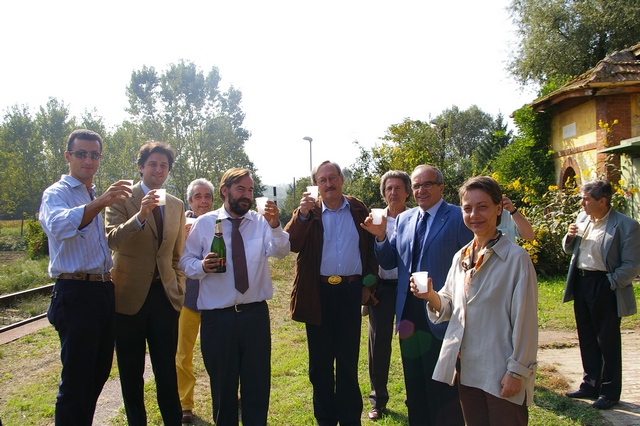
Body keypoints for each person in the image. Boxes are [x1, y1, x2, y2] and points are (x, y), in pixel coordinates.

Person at [412, 176, 538, 426]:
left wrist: (517, 372)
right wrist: (430, 296)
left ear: (498, 208)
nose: (474, 214)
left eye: (482, 207)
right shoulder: (462, 256)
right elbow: (449, 307)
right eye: (467, 208)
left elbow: (526, 324)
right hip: (467, 371)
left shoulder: (516, 260)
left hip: (500, 372)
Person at [362, 164, 472, 425]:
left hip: (442, 310)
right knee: (415, 380)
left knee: (442, 380)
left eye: (427, 184)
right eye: (417, 185)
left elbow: (472, 261)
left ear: (441, 187)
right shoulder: (404, 219)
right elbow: (389, 262)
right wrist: (379, 239)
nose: (421, 190)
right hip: (408, 311)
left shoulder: (457, 217)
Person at [179, 168, 290, 425]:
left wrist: (275, 225)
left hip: (254, 317)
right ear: (224, 191)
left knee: (257, 388)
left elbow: (282, 250)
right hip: (218, 320)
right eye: (241, 189)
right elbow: (185, 261)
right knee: (223, 391)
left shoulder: (261, 222)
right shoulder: (204, 224)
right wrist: (201, 266)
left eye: (250, 190)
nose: (247, 195)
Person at [40, 129, 132, 425]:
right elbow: (59, 227)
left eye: (94, 155)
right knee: (77, 379)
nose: (88, 160)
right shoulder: (57, 193)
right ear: (68, 157)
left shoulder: (93, 193)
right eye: (81, 154)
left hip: (101, 291)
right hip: (75, 292)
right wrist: (100, 203)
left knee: (98, 371)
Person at [285, 160, 378, 426]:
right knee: (320, 366)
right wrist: (301, 216)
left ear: (342, 180)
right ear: (316, 186)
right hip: (319, 294)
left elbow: (370, 251)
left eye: (333, 178)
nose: (328, 184)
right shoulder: (309, 211)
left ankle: (350, 420)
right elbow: (292, 244)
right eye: (322, 180)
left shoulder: (358, 209)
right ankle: (325, 420)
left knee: (348, 364)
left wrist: (367, 286)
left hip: (350, 292)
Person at [105, 141, 186, 426]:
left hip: (165, 297)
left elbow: (177, 255)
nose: (158, 169)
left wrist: (178, 288)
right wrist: (140, 215)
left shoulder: (176, 205)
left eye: (164, 165)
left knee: (166, 369)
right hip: (128, 298)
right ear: (140, 167)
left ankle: (173, 421)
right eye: (152, 164)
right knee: (130, 371)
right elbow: (112, 240)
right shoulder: (121, 198)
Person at [562, 179, 640, 410]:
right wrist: (569, 237)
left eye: (586, 198)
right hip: (582, 281)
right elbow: (570, 250)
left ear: (602, 201)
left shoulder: (626, 225)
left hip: (605, 284)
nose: (581, 203)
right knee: (586, 335)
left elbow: (632, 264)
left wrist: (611, 283)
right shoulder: (582, 218)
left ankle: (609, 391)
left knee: (607, 340)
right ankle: (590, 384)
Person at [365, 170, 411, 421]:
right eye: (388, 188)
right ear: (383, 193)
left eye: (398, 188)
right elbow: (365, 253)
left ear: (407, 192)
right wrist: (368, 286)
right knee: (379, 346)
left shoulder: (416, 218)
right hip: (382, 290)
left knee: (412, 344)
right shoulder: (374, 218)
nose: (393, 192)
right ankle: (377, 400)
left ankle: (413, 399)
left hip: (408, 290)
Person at [176, 178, 215, 423]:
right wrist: (179, 237)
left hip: (216, 301)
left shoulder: (222, 221)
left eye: (207, 196)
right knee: (183, 355)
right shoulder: (179, 224)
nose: (203, 201)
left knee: (223, 354)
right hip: (188, 300)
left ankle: (228, 393)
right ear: (189, 201)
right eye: (198, 196)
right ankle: (185, 404)